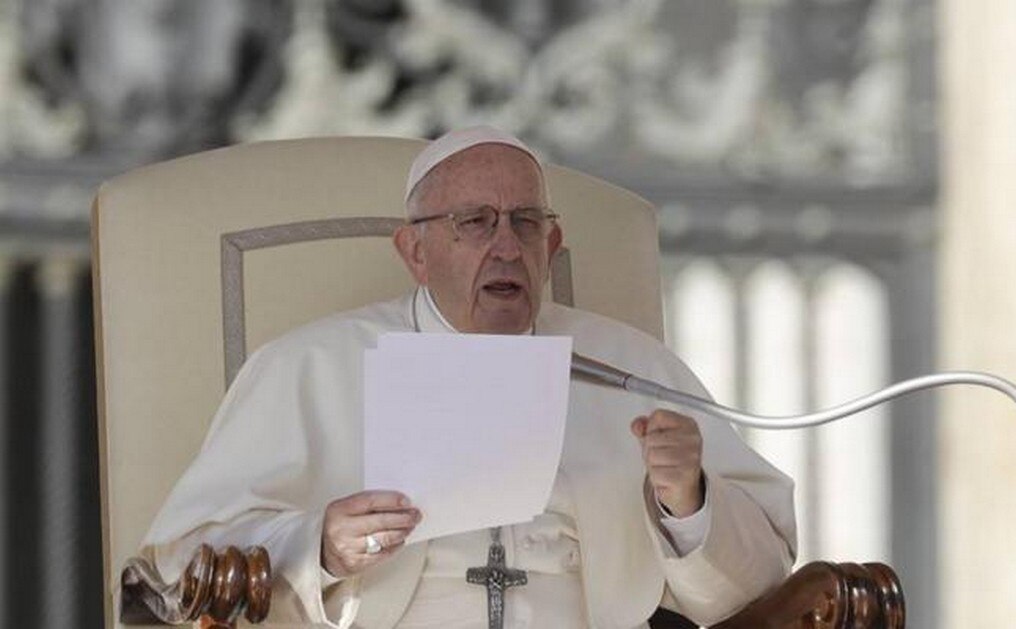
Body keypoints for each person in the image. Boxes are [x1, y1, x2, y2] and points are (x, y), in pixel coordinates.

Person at [141, 127, 796, 628]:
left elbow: (758, 586)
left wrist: (688, 501)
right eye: (475, 223)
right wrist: (319, 548)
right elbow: (175, 569)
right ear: (415, 252)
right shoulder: (309, 366)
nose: (506, 246)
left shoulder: (636, 368)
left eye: (526, 223)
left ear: (551, 246)